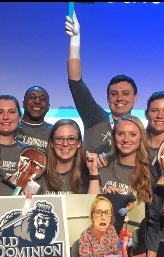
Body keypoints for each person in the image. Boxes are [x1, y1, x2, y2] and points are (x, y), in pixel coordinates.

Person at [66, 12, 138, 161]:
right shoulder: (95, 117)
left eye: (125, 93)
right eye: (114, 94)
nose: (119, 98)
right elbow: (75, 82)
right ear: (107, 98)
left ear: (135, 97)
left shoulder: (140, 130)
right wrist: (75, 40)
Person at [38, 119, 100, 194]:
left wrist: (93, 171)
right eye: (59, 139)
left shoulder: (87, 173)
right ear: (51, 143)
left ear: (79, 143)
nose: (65, 144)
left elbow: (95, 201)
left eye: (71, 139)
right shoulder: (39, 171)